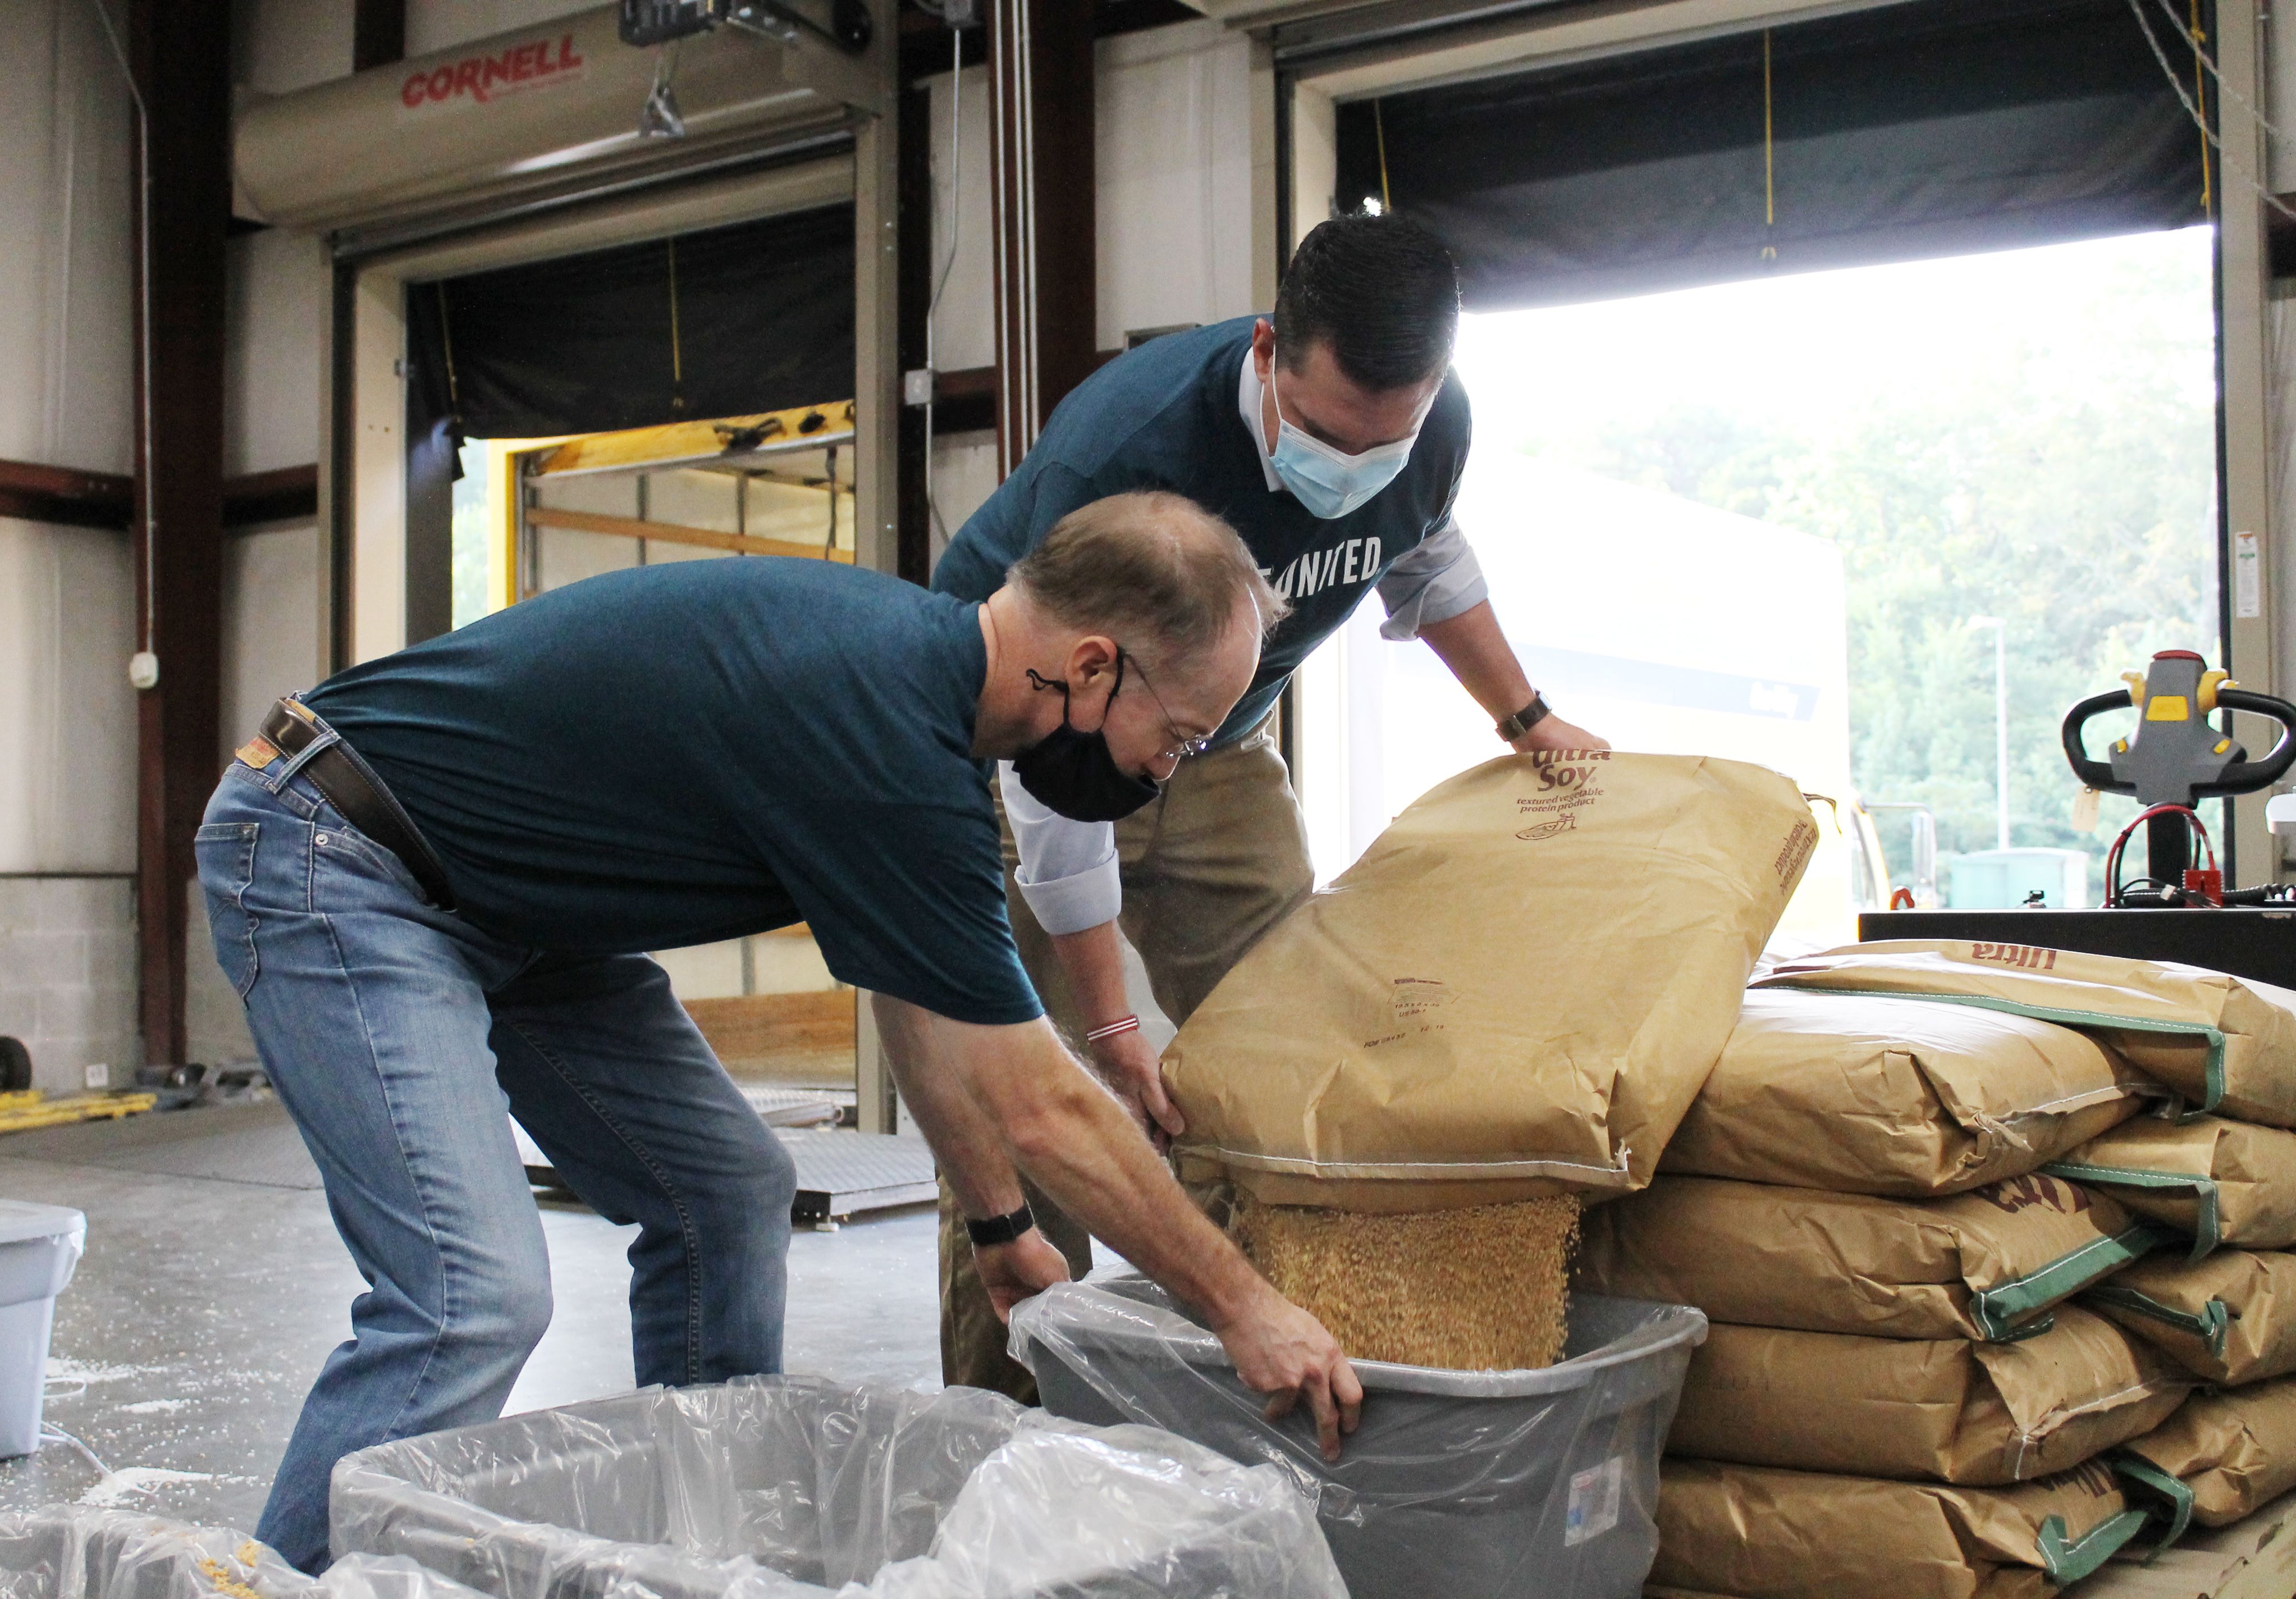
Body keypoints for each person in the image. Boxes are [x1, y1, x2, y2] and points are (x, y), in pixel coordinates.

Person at [196, 491, 1361, 1574]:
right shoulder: (878, 721)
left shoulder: (926, 717)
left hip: (519, 912)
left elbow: (922, 1006)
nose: (1171, 771)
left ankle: (704, 1556)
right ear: (1095, 665)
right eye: (1185, 735)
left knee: (724, 1190)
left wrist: (1001, 1223)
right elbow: (1039, 1101)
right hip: (336, 852)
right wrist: (1243, 1305)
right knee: (470, 1296)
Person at [929, 211, 1610, 1399]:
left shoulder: (1428, 429)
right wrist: (1110, 1030)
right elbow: (1056, 789)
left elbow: (1422, 553)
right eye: (1324, 434)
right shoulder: (1126, 450)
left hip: (1222, 749)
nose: (1350, 466)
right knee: (1024, 1109)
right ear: (1265, 352)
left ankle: (1248, 1371)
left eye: (1383, 439)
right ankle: (1011, 1421)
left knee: (1288, 1058)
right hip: (1019, 747)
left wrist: (1525, 715)